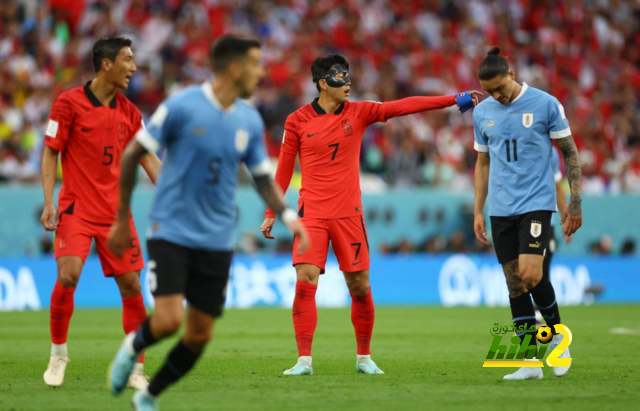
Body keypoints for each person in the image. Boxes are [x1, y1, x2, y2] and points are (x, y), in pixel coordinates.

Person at [106, 35, 309, 411]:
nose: (262, 72)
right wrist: (121, 218)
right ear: (235, 68)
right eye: (256, 64)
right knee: (167, 321)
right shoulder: (183, 106)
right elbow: (135, 152)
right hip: (171, 228)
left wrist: (288, 216)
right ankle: (133, 347)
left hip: (216, 239)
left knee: (199, 334)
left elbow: (263, 177)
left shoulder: (249, 118)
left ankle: (148, 397)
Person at [259, 53, 481, 375]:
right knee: (305, 281)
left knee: (360, 286)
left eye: (348, 76)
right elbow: (282, 171)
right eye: (339, 77)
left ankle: (364, 357)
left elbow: (404, 106)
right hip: (312, 214)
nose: (347, 82)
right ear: (323, 83)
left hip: (349, 214)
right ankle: (303, 360)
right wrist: (270, 210)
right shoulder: (297, 120)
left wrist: (453, 99)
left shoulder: (360, 112)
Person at [40, 37, 161, 389]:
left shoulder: (130, 112)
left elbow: (148, 157)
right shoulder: (68, 104)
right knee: (69, 275)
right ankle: (58, 354)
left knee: (131, 286)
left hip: (115, 215)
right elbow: (50, 152)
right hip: (76, 208)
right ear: (106, 64)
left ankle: (136, 367)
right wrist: (50, 200)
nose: (134, 68)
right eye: (127, 59)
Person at [472, 47, 583, 380]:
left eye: (500, 89)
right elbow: (482, 163)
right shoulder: (482, 113)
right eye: (489, 91)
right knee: (515, 284)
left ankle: (558, 337)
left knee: (531, 274)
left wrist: (575, 199)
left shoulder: (545, 104)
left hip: (536, 202)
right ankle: (529, 362)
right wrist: (478, 209)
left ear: (512, 75)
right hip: (501, 208)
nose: (496, 96)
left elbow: (569, 152)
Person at [536, 148, 571, 326]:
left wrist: (566, 219)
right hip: (521, 221)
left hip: (545, 223)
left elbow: (557, 186)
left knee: (543, 271)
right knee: (526, 272)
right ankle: (533, 319)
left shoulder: (550, 152)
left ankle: (540, 319)